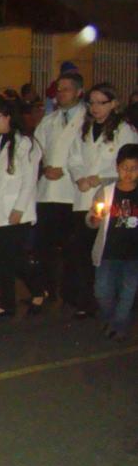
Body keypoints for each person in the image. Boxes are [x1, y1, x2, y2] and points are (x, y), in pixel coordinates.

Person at [66, 83, 138, 319]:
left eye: (101, 102)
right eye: (91, 103)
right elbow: (74, 157)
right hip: (84, 196)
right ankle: (88, 301)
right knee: (83, 251)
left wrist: (100, 177)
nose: (95, 107)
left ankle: (118, 300)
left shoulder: (124, 129)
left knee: (110, 253)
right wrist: (80, 177)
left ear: (114, 104)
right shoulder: (85, 127)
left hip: (112, 195)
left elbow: (128, 163)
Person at [0, 97, 43, 317]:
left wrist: (19, 208)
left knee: (16, 258)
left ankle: (38, 289)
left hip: (16, 211)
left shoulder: (25, 143)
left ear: (9, 117)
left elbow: (29, 180)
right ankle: (7, 303)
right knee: (1, 260)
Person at [31, 71, 85, 311]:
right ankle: (47, 289)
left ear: (79, 92)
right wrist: (44, 168)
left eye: (66, 89)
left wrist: (65, 170)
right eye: (59, 89)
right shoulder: (49, 120)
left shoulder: (86, 119)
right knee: (44, 246)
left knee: (71, 248)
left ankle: (70, 293)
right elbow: (36, 150)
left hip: (71, 192)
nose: (61, 94)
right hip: (47, 191)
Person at [87, 144, 138, 340]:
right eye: (125, 168)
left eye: (134, 168)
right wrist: (95, 218)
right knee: (102, 291)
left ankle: (119, 325)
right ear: (117, 167)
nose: (129, 173)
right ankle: (111, 319)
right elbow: (91, 219)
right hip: (108, 252)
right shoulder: (107, 191)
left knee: (128, 292)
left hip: (133, 254)